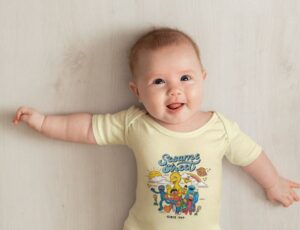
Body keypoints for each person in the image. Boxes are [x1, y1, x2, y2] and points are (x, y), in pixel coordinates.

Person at [12, 27, 300, 230]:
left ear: (203, 78)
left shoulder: (219, 128)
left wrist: (273, 183)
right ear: (137, 91)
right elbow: (87, 127)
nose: (174, 90)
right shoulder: (135, 123)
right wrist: (44, 122)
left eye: (185, 78)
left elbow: (251, 155)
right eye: (159, 82)